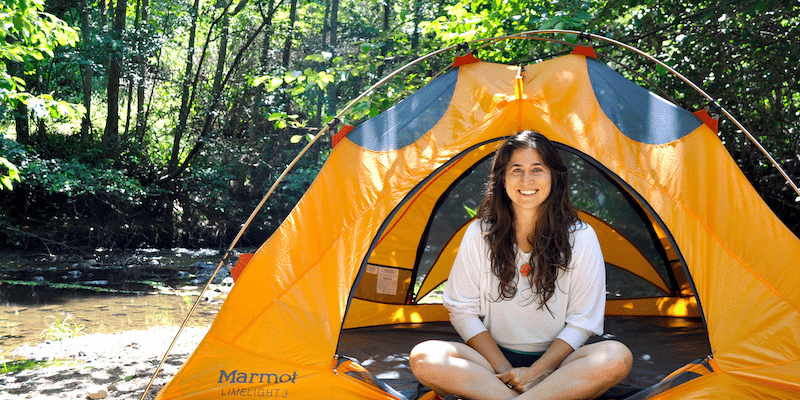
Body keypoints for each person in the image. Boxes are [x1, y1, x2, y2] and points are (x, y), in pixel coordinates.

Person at [409, 131, 632, 400]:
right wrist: (506, 371)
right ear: (502, 178)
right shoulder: (479, 233)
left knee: (617, 357)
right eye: (516, 170)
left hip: (559, 365)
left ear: (554, 177)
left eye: (537, 169)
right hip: (492, 363)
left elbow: (583, 321)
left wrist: (538, 371)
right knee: (424, 357)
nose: (527, 180)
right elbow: (462, 310)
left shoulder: (581, 237)